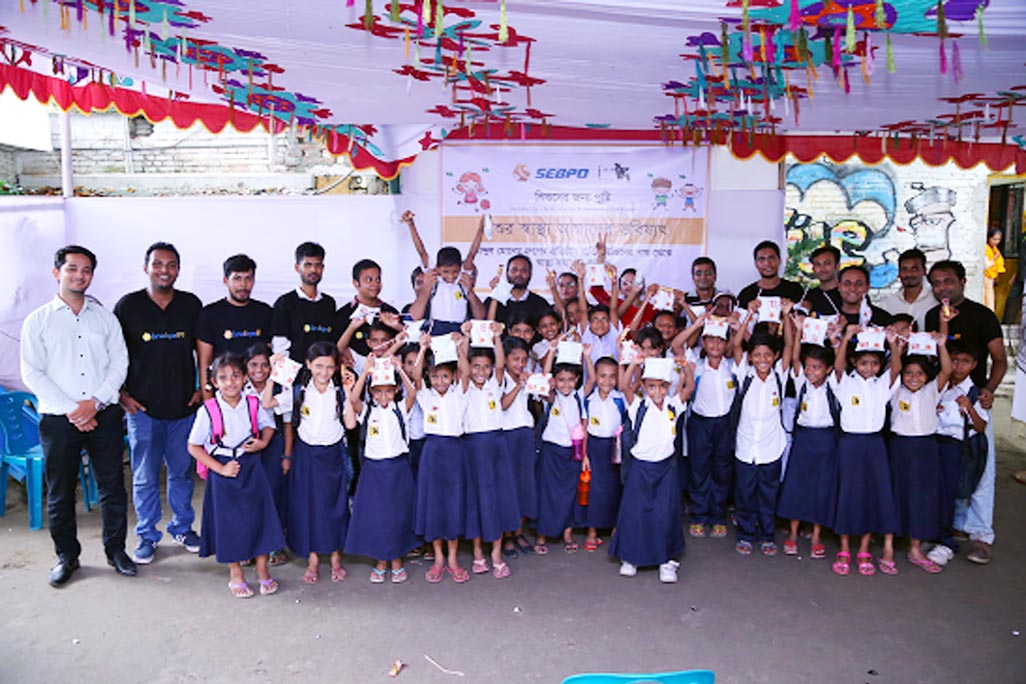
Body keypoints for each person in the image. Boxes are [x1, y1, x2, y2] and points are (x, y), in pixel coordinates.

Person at [21, 245, 134, 587]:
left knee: (113, 487)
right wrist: (75, 409)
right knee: (59, 492)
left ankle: (116, 551)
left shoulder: (106, 318)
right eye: (72, 269)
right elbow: (32, 372)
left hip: (104, 416)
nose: (79, 275)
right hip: (59, 420)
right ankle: (66, 557)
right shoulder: (37, 321)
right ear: (57, 273)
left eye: (86, 270)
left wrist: (95, 403)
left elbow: (119, 363)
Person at [114, 242, 203, 565]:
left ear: (178, 269)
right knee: (145, 476)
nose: (164, 270)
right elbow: (114, 354)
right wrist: (122, 395)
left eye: (171, 264)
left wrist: (202, 389)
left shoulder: (191, 305)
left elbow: (202, 350)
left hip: (183, 408)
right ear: (146, 267)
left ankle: (182, 527)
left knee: (181, 472)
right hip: (143, 410)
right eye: (158, 264)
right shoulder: (128, 307)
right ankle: (147, 535)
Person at [924, 260, 1006, 565]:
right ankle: (956, 526)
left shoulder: (982, 316)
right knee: (950, 465)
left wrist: (989, 390)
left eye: (947, 281)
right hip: (944, 395)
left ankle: (981, 535)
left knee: (982, 468)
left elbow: (999, 359)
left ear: (962, 281)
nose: (942, 287)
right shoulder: (934, 316)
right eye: (936, 283)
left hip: (975, 397)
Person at [187, 353, 283, 598]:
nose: (230, 382)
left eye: (236, 376)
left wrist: (262, 443)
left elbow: (269, 425)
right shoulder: (208, 410)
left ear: (244, 378)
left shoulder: (253, 403)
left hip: (251, 466)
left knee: (260, 517)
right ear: (214, 382)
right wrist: (219, 469)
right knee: (230, 523)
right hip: (223, 469)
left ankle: (262, 569)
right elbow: (194, 446)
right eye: (223, 378)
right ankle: (236, 573)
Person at [611, 355, 694, 583]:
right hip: (641, 468)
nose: (657, 392)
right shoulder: (638, 406)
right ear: (645, 386)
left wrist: (685, 368)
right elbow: (624, 386)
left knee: (664, 512)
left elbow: (690, 386)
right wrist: (634, 365)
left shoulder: (673, 405)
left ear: (668, 386)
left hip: (665, 469)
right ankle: (630, 557)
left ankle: (665, 560)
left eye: (662, 386)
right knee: (635, 513)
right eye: (652, 386)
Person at [829, 325, 902, 577]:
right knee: (848, 494)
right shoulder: (845, 384)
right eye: (863, 362)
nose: (869, 367)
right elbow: (837, 369)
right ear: (854, 362)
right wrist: (847, 338)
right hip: (850, 444)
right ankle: (845, 547)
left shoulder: (881, 386)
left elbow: (896, 370)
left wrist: (892, 343)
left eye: (873, 363)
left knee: (872, 494)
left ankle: (864, 549)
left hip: (874, 444)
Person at [344, 356, 420, 583]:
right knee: (378, 517)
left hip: (397, 469)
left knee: (397, 515)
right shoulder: (368, 411)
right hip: (374, 472)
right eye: (378, 392)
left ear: (396, 391)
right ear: (372, 393)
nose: (383, 396)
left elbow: (413, 394)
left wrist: (400, 370)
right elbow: (354, 398)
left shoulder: (399, 409)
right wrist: (365, 373)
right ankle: (380, 561)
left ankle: (396, 560)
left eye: (388, 391)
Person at [286, 342, 356, 584]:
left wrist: (347, 392)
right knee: (310, 508)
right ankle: (313, 559)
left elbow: (350, 425)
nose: (324, 372)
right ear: (308, 365)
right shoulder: (299, 392)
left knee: (335, 506)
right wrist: (276, 370)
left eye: (329, 367)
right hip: (306, 455)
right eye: (318, 366)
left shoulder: (339, 392)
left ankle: (336, 557)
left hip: (333, 455)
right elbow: (267, 404)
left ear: (337, 367)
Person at [731, 304, 794, 557]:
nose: (763, 360)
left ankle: (767, 535)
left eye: (768, 355)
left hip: (771, 447)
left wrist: (786, 316)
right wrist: (748, 315)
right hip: (745, 447)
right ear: (750, 357)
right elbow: (736, 345)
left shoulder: (780, 374)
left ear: (775, 356)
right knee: (745, 494)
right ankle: (746, 534)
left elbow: (790, 346)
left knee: (768, 493)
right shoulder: (744, 373)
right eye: (757, 355)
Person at [458, 321, 519, 579]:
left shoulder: (495, 384)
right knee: (476, 500)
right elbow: (462, 367)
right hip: (472, 447)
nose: (481, 371)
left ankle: (496, 553)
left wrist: (496, 337)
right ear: (469, 368)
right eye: (476, 366)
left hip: (497, 446)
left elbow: (501, 364)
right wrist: (465, 340)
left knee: (498, 498)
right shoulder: (463, 387)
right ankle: (478, 554)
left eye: (486, 366)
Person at [411, 333, 471, 583]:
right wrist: (423, 349)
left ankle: (453, 558)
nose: (439, 381)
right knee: (434, 504)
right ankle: (438, 558)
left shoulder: (460, 393)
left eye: (445, 375)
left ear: (453, 377)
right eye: (434, 376)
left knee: (453, 502)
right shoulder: (426, 396)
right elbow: (415, 377)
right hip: (432, 452)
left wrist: (459, 348)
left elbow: (466, 373)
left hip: (455, 452)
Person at [889, 330, 950, 573]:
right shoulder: (895, 391)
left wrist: (942, 346)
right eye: (909, 373)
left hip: (925, 449)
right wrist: (896, 348)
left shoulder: (932, 391)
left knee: (920, 498)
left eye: (919, 374)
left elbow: (946, 370)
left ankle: (915, 547)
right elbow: (893, 369)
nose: (914, 378)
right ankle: (890, 543)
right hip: (900, 447)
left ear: (927, 376)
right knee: (897, 493)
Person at [929, 339, 991, 568]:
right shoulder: (940, 385)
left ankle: (947, 541)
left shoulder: (975, 393)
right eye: (954, 360)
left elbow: (981, 427)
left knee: (948, 494)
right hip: (934, 442)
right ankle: (931, 533)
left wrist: (969, 407)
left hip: (955, 447)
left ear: (974, 364)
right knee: (932, 490)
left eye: (965, 362)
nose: (958, 366)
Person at [778, 343, 839, 559]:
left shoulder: (834, 386)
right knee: (797, 485)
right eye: (808, 366)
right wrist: (797, 332)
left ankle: (815, 536)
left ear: (829, 369)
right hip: (803, 438)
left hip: (825, 440)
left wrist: (836, 342)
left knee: (821, 489)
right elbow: (795, 359)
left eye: (817, 367)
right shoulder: (801, 382)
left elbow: (839, 366)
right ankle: (793, 533)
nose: (810, 371)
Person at [534, 339, 587, 555]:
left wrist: (586, 355)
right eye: (561, 379)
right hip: (551, 453)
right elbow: (543, 381)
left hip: (572, 454)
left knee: (569, 494)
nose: (566, 384)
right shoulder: (551, 397)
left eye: (570, 380)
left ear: (576, 380)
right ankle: (542, 534)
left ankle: (567, 532)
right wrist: (553, 350)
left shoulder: (579, 398)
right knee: (547, 493)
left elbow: (584, 426)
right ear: (555, 381)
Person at [195, 254, 273, 399]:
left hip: (259, 395)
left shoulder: (265, 312)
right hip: (224, 394)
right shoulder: (209, 314)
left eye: (248, 278)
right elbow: (204, 362)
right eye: (237, 278)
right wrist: (209, 402)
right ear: (226, 281)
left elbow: (272, 357)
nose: (243, 285)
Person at [243, 343, 292, 566]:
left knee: (273, 496)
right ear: (245, 366)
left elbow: (288, 425)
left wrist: (287, 455)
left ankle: (274, 545)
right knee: (249, 495)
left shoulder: (282, 388)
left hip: (274, 446)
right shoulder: (239, 388)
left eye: (265, 365)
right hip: (247, 446)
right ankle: (249, 545)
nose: (259, 370)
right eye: (253, 365)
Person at [576, 355, 625, 552]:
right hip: (594, 449)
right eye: (603, 376)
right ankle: (592, 532)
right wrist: (584, 455)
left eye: (612, 376)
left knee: (615, 489)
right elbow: (585, 428)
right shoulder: (589, 400)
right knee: (593, 491)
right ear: (595, 376)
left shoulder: (620, 399)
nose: (607, 381)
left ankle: (615, 529)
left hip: (615, 449)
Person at [500, 336, 538, 558]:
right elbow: (503, 405)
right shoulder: (500, 378)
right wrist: (519, 386)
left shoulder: (526, 376)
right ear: (504, 359)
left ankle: (518, 531)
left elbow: (540, 398)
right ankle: (506, 535)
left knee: (525, 484)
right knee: (509, 485)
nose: (520, 364)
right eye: (515, 359)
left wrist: (538, 384)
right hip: (508, 435)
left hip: (524, 435)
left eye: (524, 359)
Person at [270, 242, 337, 362]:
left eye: (318, 265)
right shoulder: (285, 302)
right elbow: (279, 347)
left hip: (324, 374)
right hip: (295, 375)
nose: (313, 270)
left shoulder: (329, 303)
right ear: (297, 267)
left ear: (323, 268)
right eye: (308, 265)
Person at [333, 259, 402, 368]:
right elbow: (338, 348)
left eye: (378, 279)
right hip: (354, 376)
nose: (375, 284)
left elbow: (405, 341)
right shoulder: (343, 314)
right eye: (369, 280)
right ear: (356, 283)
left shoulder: (390, 312)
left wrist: (396, 325)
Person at [487, 254, 553, 327]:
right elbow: (485, 329)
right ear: (506, 274)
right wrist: (496, 293)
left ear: (530, 275)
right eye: (514, 270)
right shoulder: (493, 302)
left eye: (524, 270)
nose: (519, 274)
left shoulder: (540, 304)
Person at [879, 249, 938, 331]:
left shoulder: (936, 302)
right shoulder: (886, 305)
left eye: (914, 269)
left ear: (924, 271)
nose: (909, 274)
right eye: (904, 269)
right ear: (898, 273)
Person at [737, 241, 805, 309]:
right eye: (762, 259)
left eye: (771, 258)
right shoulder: (746, 294)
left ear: (779, 260)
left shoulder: (794, 290)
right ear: (756, 264)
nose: (767, 263)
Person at [804, 245, 843, 317]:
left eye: (827, 263)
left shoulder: (849, 293)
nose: (822, 269)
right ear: (813, 269)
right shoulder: (809, 296)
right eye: (818, 264)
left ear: (837, 266)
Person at [983, 229, 1006, 312]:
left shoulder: (995, 249)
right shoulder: (985, 248)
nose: (996, 242)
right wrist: (994, 258)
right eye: (994, 239)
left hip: (991, 277)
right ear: (988, 238)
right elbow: (986, 265)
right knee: (985, 298)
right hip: (984, 276)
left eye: (998, 240)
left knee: (989, 298)